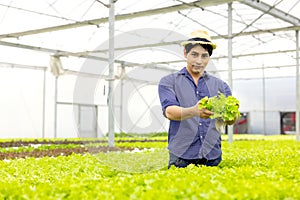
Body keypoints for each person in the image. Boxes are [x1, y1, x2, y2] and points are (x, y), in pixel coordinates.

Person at [158, 30, 237, 169]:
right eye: (194, 54)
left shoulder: (220, 86)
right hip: (181, 157)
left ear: (209, 58)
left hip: (212, 155)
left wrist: (231, 115)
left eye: (204, 56)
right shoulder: (169, 82)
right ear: (185, 53)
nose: (199, 60)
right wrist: (194, 111)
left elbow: (230, 120)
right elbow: (170, 112)